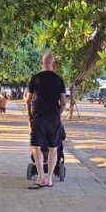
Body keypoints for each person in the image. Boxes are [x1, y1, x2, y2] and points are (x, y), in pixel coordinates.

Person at [24, 52, 67, 189]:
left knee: (36, 147)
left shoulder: (35, 78)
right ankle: (49, 180)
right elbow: (64, 103)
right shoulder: (59, 79)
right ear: (53, 64)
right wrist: (57, 114)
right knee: (54, 148)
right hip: (54, 117)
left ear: (41, 63)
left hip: (39, 117)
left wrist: (30, 114)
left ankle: (41, 176)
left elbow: (28, 100)